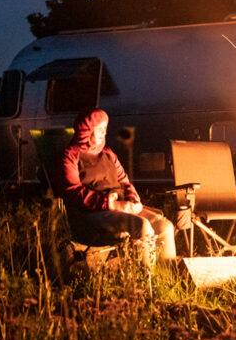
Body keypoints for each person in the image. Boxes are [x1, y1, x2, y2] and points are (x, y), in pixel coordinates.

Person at [56, 109, 176, 261]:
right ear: (87, 132)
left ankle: (168, 278)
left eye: (105, 129)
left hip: (121, 206)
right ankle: (145, 280)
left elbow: (124, 181)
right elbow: (73, 192)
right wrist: (111, 204)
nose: (104, 133)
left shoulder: (108, 154)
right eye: (100, 130)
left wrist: (134, 201)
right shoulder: (70, 156)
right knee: (142, 225)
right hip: (91, 213)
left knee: (164, 226)